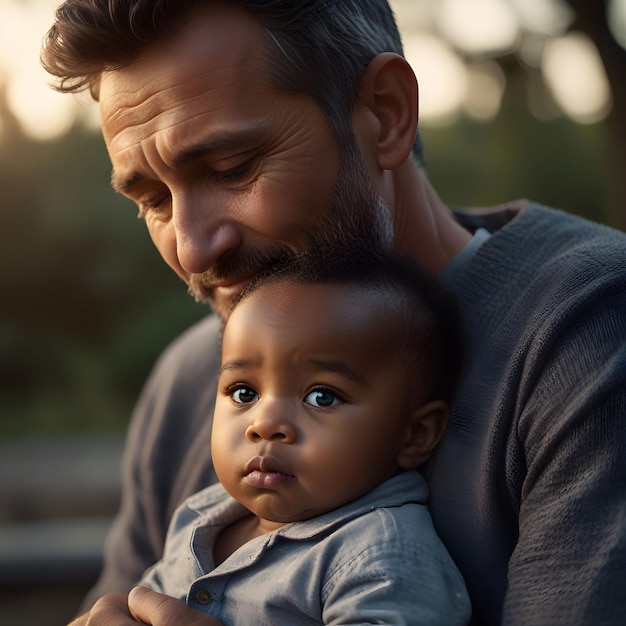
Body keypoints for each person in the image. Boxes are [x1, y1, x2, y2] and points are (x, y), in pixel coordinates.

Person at [40, 1, 626, 625]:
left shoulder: (590, 329)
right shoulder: (187, 381)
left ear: (385, 114)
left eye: (233, 168)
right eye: (154, 199)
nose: (192, 247)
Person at [136, 249, 471, 625]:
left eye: (322, 397)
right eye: (244, 393)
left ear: (414, 435)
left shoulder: (381, 557)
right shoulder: (200, 517)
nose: (265, 423)